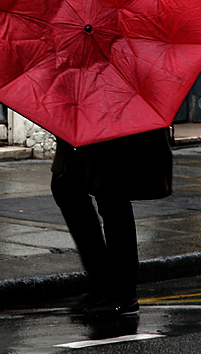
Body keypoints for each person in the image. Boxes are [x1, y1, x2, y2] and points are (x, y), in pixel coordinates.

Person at [51, 128, 173, 316]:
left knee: (111, 193)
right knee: (67, 186)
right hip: (90, 118)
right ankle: (104, 286)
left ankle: (124, 295)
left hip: (113, 122)